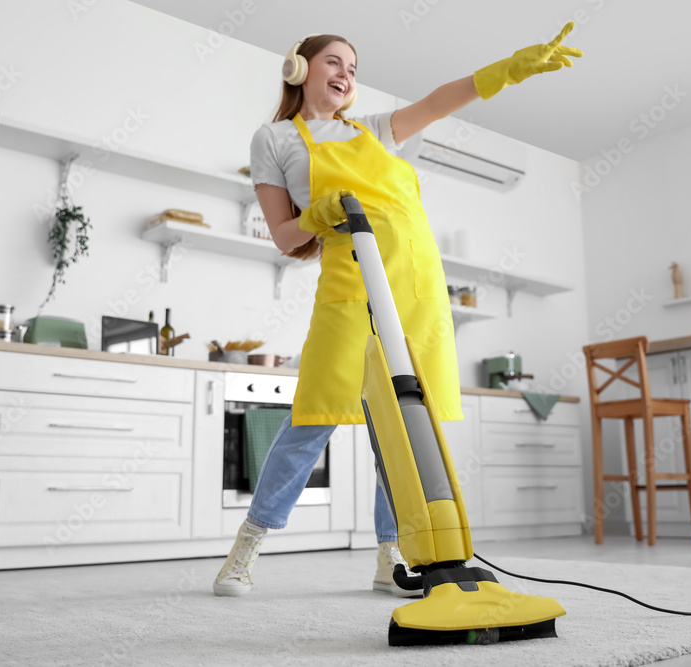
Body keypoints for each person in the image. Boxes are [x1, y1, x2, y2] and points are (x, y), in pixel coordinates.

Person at [214, 26, 582, 597]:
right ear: (298, 69)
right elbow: (286, 237)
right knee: (313, 419)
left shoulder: (375, 130)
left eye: (353, 68)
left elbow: (439, 101)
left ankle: (393, 556)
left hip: (416, 287)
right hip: (349, 287)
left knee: (404, 429)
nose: (345, 74)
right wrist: (318, 216)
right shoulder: (276, 138)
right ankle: (247, 546)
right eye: (333, 62)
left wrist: (510, 68)